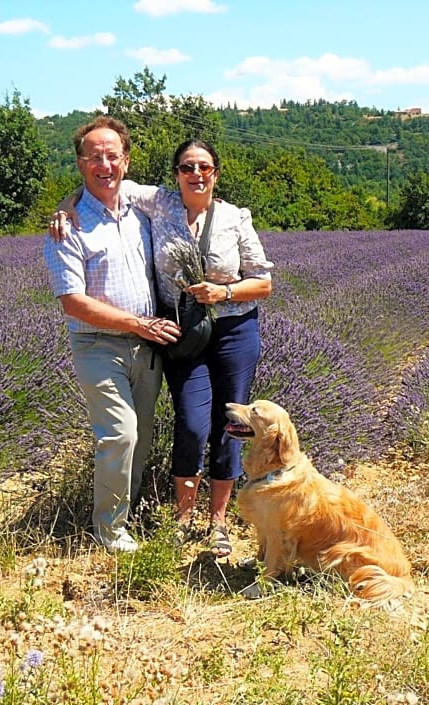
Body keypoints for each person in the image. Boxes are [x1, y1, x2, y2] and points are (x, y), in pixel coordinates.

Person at [50, 138, 273, 557]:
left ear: (216, 173)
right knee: (190, 423)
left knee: (231, 422)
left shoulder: (234, 218)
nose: (196, 175)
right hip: (182, 334)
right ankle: (182, 519)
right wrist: (65, 208)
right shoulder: (159, 203)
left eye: (204, 167)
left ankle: (218, 522)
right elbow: (102, 181)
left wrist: (223, 293)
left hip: (233, 332)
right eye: (187, 167)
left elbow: (263, 281)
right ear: (176, 174)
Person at [42, 116, 181, 553]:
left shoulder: (141, 206)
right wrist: (139, 324)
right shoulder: (68, 227)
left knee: (138, 435)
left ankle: (129, 511)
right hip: (99, 344)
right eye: (94, 157)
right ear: (81, 164)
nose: (104, 164)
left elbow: (193, 199)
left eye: (112, 155)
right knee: (119, 434)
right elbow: (73, 302)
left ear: (126, 160)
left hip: (147, 345)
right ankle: (109, 530)